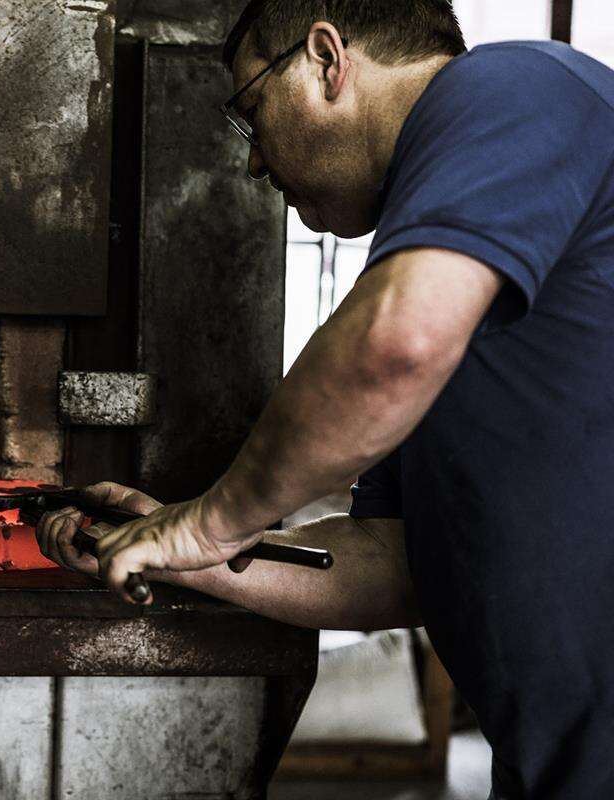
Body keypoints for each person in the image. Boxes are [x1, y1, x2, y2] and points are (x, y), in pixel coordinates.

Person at [35, 2, 614, 797]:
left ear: (326, 59)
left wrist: (209, 523)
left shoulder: (513, 87)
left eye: (252, 114)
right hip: (555, 760)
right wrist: (182, 552)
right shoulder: (441, 258)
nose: (254, 163)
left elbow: (395, 346)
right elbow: (393, 561)